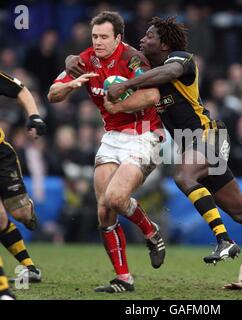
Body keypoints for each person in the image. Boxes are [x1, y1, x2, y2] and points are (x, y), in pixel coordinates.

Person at [87, 16, 242, 276]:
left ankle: (224, 240)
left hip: (208, 135)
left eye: (149, 36)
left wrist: (126, 85)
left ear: (164, 43)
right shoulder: (147, 73)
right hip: (190, 144)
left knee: (183, 175)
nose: (143, 39)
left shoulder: (181, 59)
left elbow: (170, 72)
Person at [48, 11, 166, 294]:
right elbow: (52, 93)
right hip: (112, 138)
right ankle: (124, 278)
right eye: (95, 36)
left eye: (104, 37)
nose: (98, 42)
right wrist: (70, 86)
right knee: (104, 208)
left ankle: (151, 231)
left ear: (118, 38)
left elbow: (152, 96)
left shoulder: (133, 59)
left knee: (115, 198)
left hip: (144, 135)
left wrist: (117, 106)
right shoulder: (84, 60)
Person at [0, 71, 45, 284]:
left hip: (1, 154)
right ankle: (29, 268)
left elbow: (21, 90)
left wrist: (34, 116)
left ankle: (27, 209)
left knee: (20, 213)